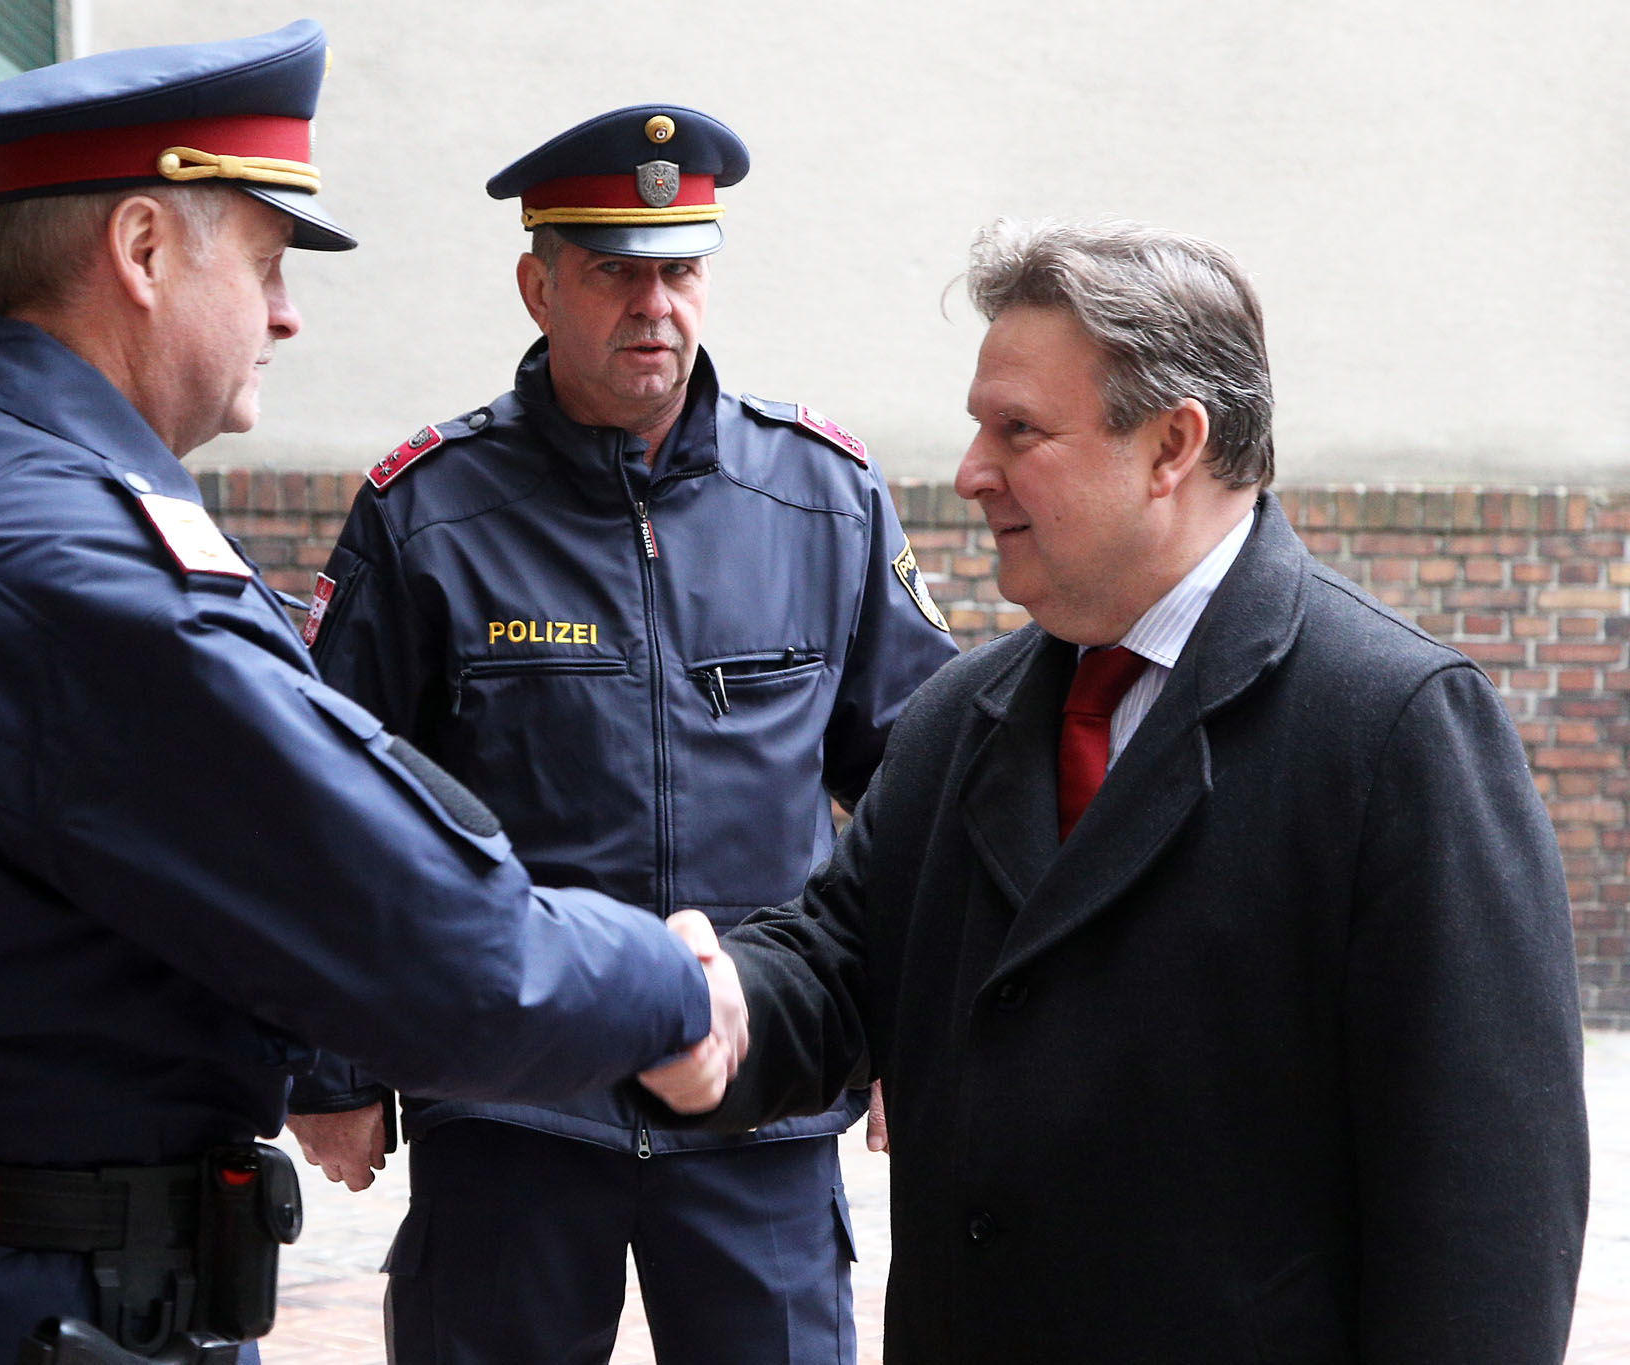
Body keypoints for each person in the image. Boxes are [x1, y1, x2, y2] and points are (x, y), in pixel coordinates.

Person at [0, 27, 745, 1365]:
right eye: (263, 262)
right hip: (39, 1313)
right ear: (142, 251)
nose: (286, 314)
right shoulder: (84, 573)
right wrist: (665, 991)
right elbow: (426, 939)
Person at [641, 217, 1590, 1362]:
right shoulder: (961, 716)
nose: (968, 472)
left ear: (1170, 446)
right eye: (976, 427)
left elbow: (1483, 1209)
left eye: (1018, 430)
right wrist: (714, 1001)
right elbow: (839, 959)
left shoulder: (1391, 726)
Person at [300, 104, 958, 1364]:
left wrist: (909, 1029)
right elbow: (336, 805)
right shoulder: (426, 516)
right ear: (536, 284)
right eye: (613, 272)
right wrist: (328, 1069)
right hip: (508, 1103)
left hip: (759, 1094)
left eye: (680, 269)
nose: (653, 305)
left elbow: (915, 785)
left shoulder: (821, 497)